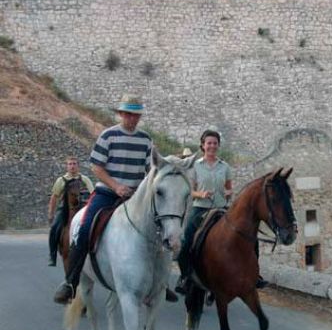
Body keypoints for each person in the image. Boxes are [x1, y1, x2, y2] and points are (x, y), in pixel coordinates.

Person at [53, 94, 178, 304]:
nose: (131, 119)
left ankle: (161, 283)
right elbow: (97, 167)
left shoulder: (145, 139)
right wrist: (116, 186)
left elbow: (151, 170)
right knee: (84, 230)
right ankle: (71, 283)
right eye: (128, 114)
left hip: (136, 197)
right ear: (120, 114)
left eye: (135, 115)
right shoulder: (108, 135)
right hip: (107, 193)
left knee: (161, 229)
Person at [175, 129, 268, 295]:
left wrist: (228, 193)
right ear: (203, 145)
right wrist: (200, 194)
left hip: (222, 208)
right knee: (186, 239)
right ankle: (184, 276)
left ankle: (255, 274)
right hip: (201, 208)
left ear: (218, 146)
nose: (212, 146)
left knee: (251, 237)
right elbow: (190, 190)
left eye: (215, 143)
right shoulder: (195, 166)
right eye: (209, 143)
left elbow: (229, 188)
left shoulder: (225, 167)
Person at [47, 156, 94, 266]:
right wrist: (51, 213)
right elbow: (54, 197)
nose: (72, 166)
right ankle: (52, 255)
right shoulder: (61, 180)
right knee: (54, 228)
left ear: (78, 166)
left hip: (82, 208)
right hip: (64, 209)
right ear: (67, 166)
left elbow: (93, 194)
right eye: (70, 164)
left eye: (74, 164)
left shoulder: (85, 179)